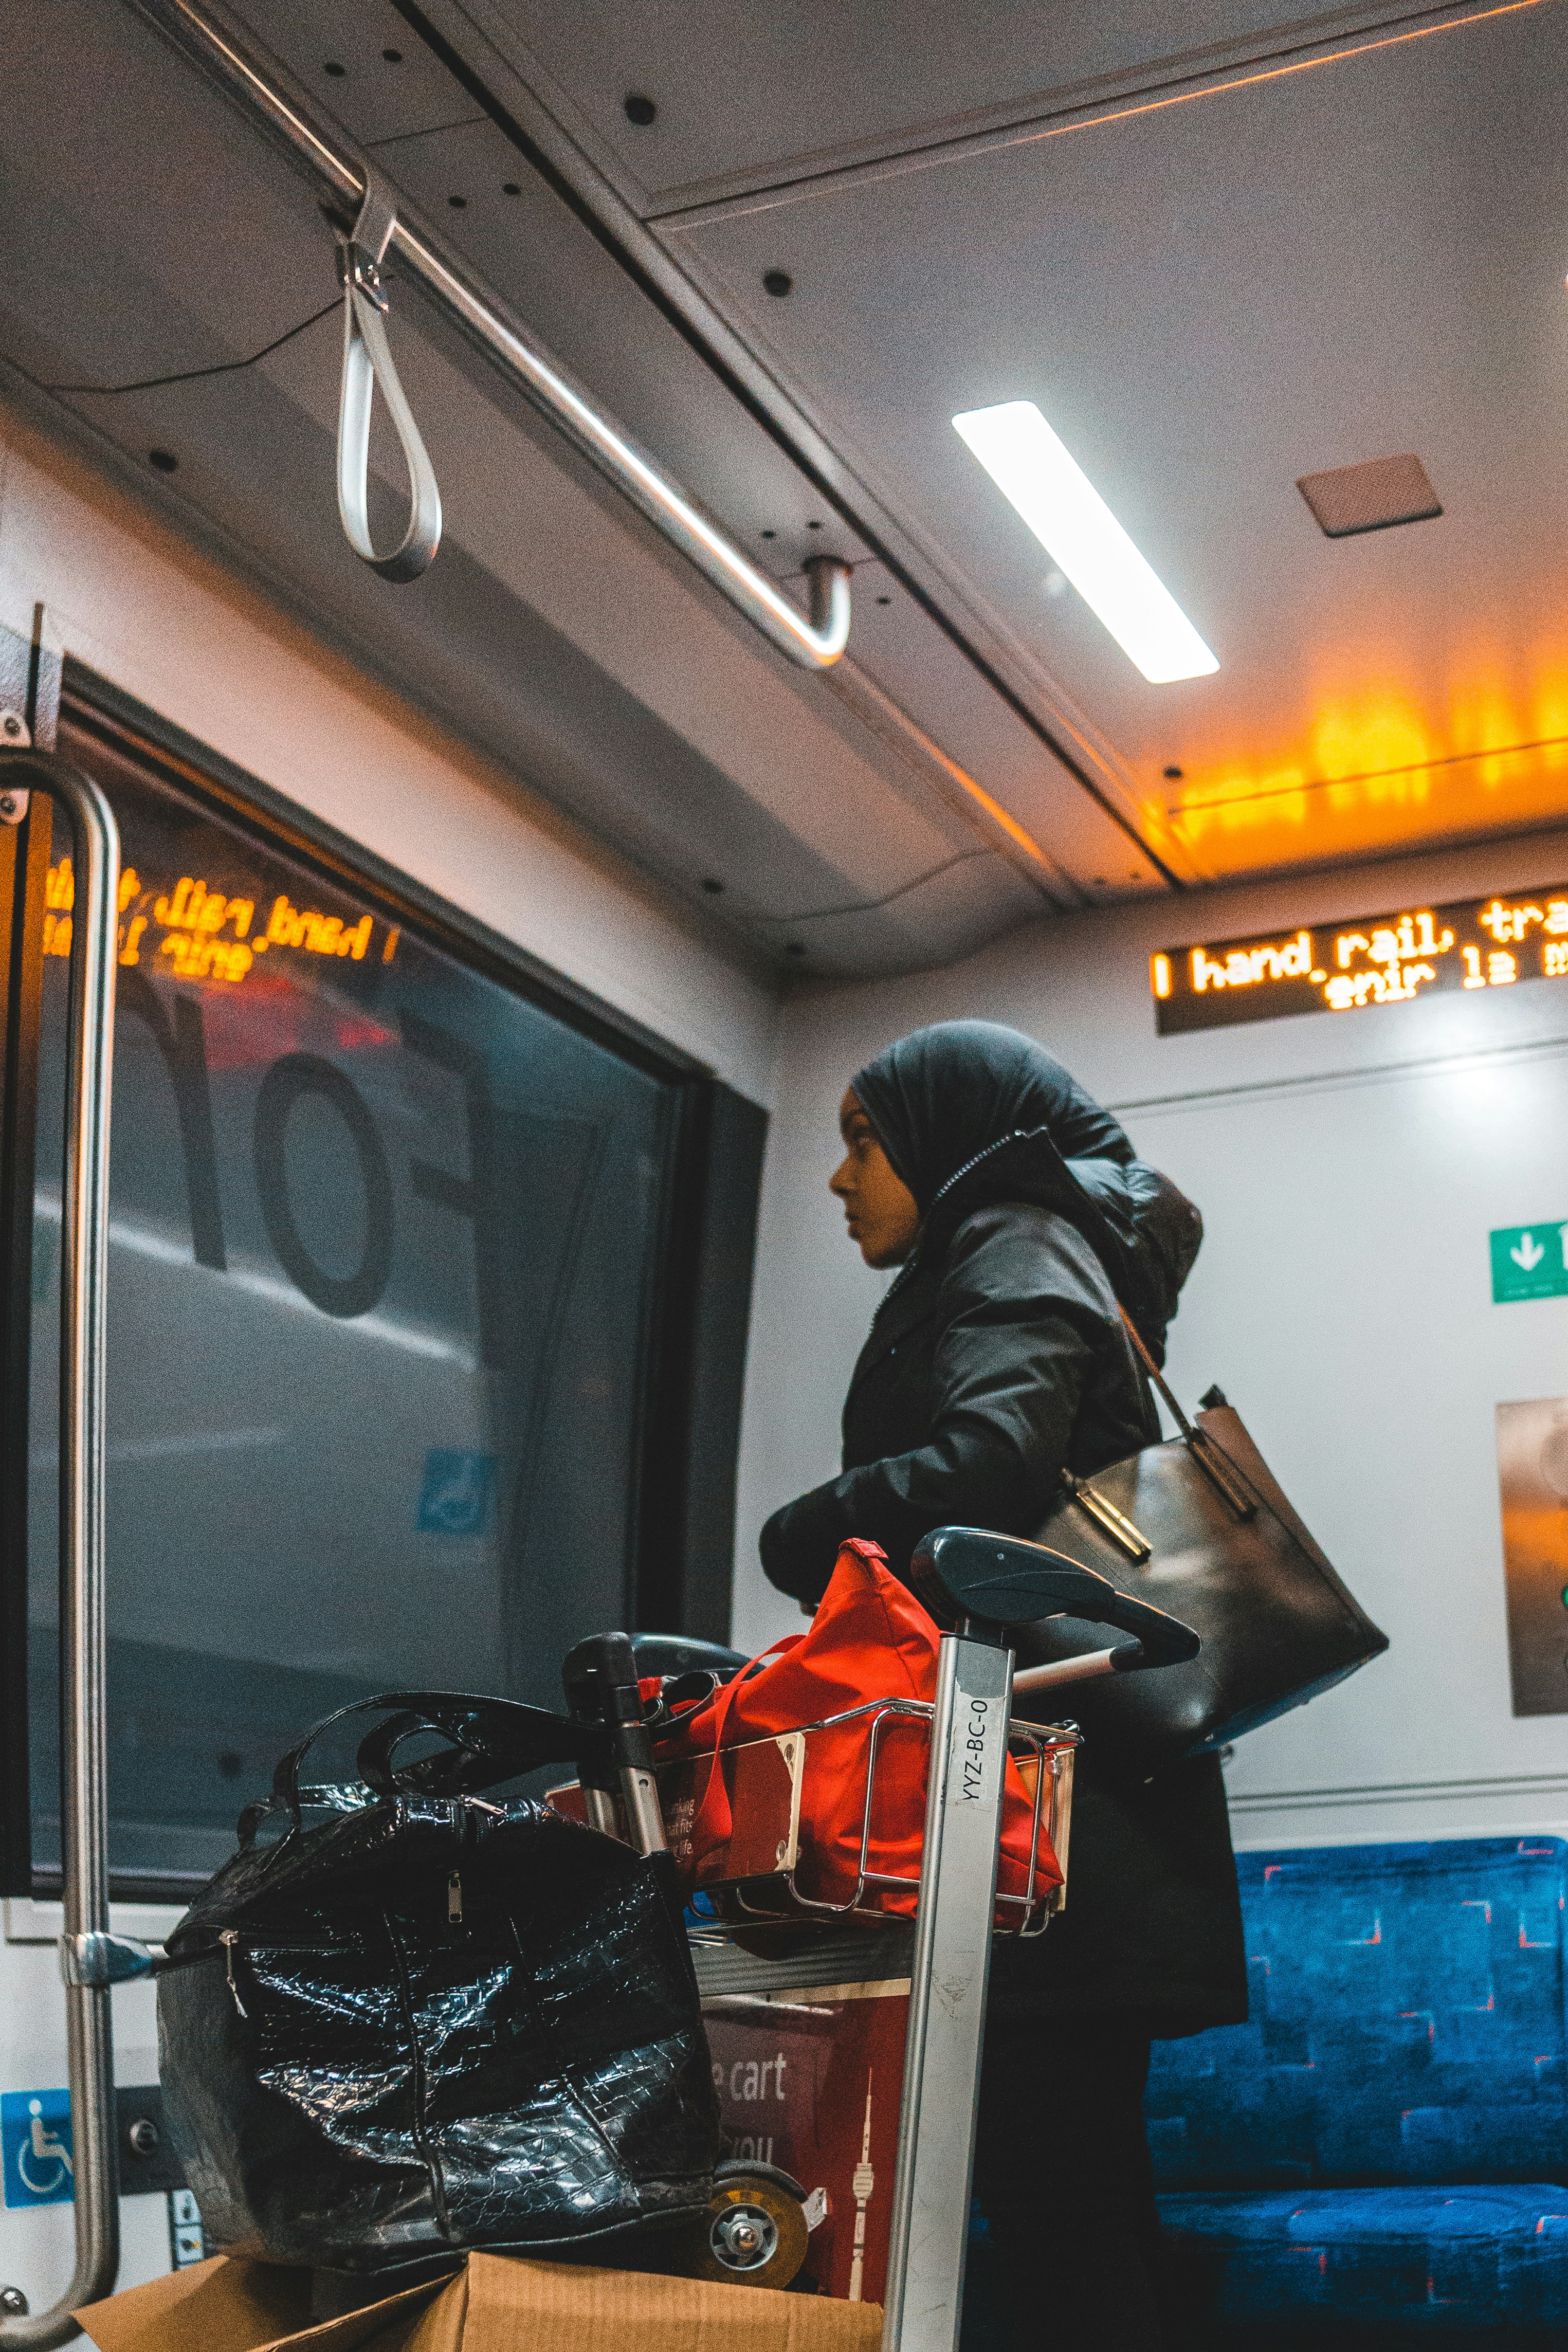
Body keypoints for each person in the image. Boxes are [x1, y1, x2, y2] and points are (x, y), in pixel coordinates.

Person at [760, 1019, 1247, 2351]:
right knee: (1069, 2204)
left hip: (1048, 1826)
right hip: (1067, 1813)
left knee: (1055, 2211)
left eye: (860, 1140)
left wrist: (798, 1535)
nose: (837, 1179)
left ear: (941, 1138)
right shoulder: (1033, 1251)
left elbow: (984, 1469)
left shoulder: (1014, 1240)